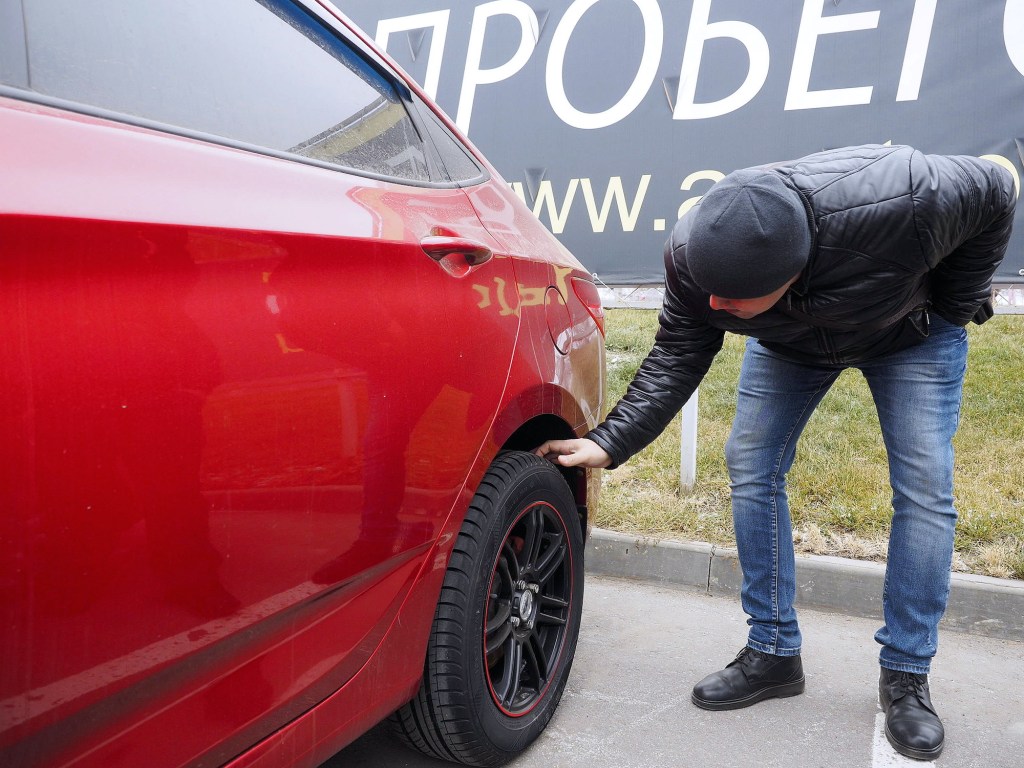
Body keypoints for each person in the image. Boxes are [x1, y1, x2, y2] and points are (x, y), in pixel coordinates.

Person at [535, 144, 1015, 760]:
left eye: (730, 301)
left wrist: (950, 306)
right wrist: (609, 440)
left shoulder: (907, 198)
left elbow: (998, 190)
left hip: (910, 333)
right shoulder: (696, 255)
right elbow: (679, 352)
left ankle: (906, 677)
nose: (714, 307)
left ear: (788, 276)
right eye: (709, 292)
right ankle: (773, 652)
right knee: (751, 464)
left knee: (925, 487)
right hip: (790, 344)